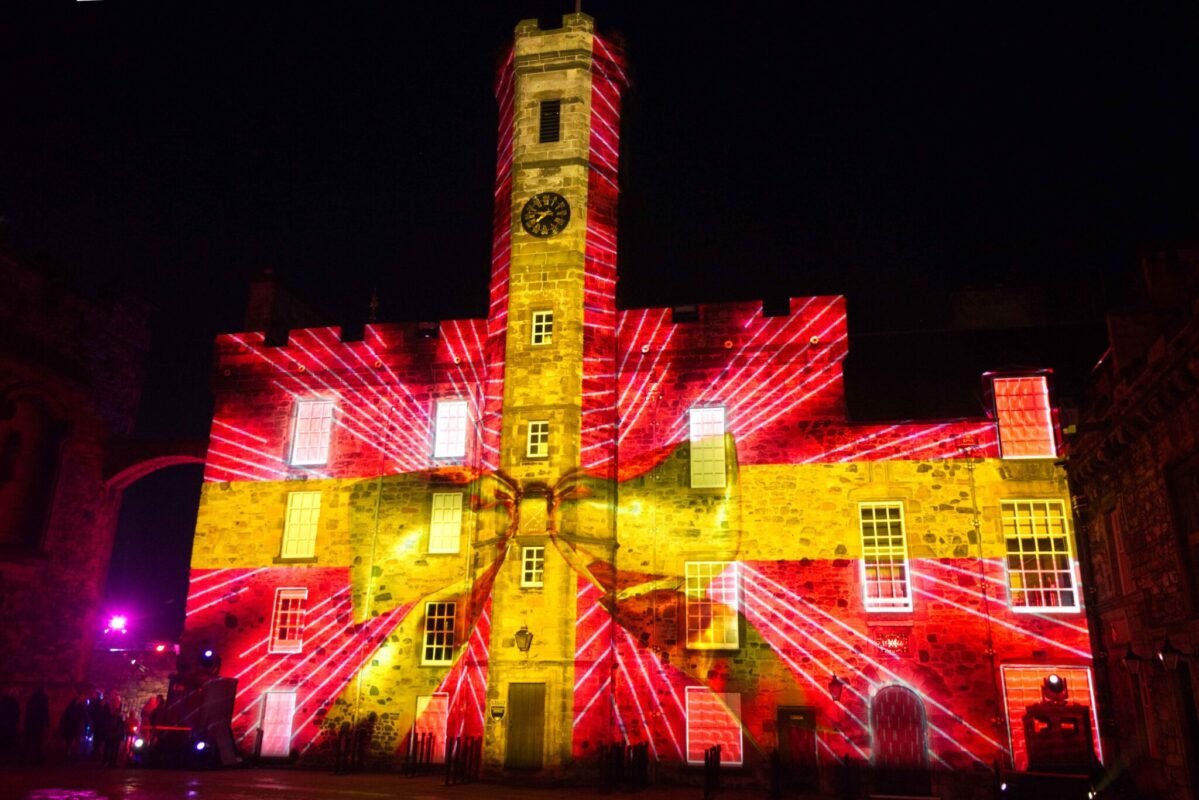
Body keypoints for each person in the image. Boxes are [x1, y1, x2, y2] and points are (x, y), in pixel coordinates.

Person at [23, 686, 50, 765]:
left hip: (31, 723)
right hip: (38, 723)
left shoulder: (32, 699)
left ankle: (32, 757)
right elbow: (45, 712)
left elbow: (28, 712)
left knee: (32, 741)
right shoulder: (42, 700)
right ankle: (37, 758)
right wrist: (47, 722)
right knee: (38, 741)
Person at [0, 691, 19, 765]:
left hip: (4, 727)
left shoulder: (3, 704)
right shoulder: (13, 703)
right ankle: (9, 760)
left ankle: (5, 760)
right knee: (9, 744)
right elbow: (16, 714)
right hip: (10, 726)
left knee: (4, 744)